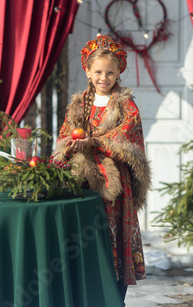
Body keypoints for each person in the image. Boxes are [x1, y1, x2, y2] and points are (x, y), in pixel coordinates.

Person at [54, 34, 151, 304]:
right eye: (98, 72)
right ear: (87, 71)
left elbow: (128, 137)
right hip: (82, 182)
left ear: (119, 71)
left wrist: (95, 141)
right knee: (86, 237)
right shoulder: (78, 105)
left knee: (112, 235)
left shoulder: (125, 105)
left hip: (114, 187)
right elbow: (64, 135)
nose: (104, 78)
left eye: (110, 72)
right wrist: (70, 146)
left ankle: (115, 296)